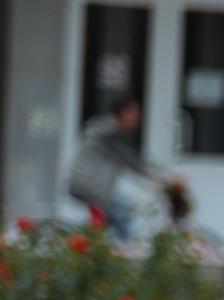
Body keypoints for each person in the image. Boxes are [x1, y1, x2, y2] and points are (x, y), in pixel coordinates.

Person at [66, 95, 185, 243]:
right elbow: (130, 159)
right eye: (132, 112)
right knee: (122, 220)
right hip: (89, 187)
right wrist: (165, 175)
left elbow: (131, 159)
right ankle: (124, 256)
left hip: (95, 187)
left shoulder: (111, 131)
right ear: (120, 113)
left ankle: (96, 251)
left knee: (111, 220)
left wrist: (156, 177)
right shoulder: (107, 132)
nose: (136, 117)